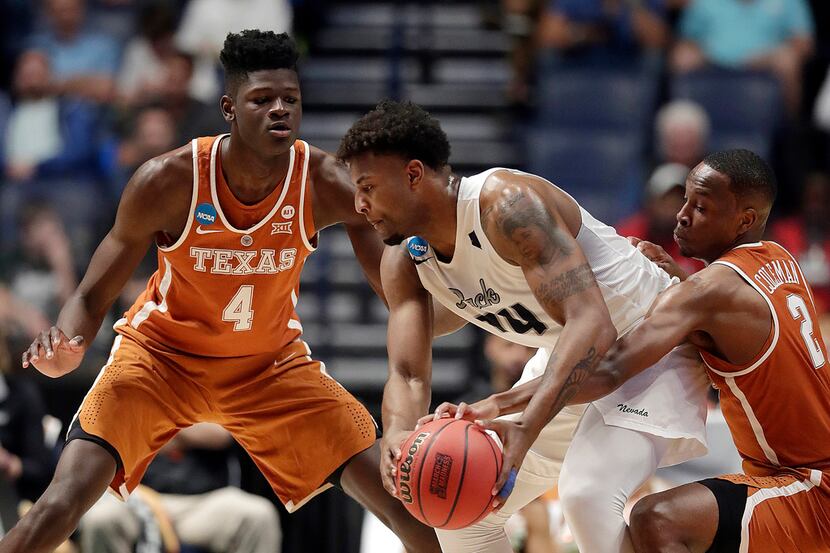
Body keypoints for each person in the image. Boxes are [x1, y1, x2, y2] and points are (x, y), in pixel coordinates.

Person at [6, 31, 440, 553]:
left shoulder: (326, 181)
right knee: (62, 503)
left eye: (291, 100)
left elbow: (397, 295)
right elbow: (91, 296)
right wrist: (64, 344)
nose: (280, 110)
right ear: (229, 108)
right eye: (262, 100)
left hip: (269, 367)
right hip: (160, 360)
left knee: (408, 506)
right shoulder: (168, 180)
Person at [337, 100, 710, 553]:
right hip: (574, 365)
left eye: (368, 187)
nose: (360, 204)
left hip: (653, 342)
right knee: (461, 516)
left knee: (587, 493)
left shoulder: (504, 205)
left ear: (413, 175)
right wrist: (397, 431)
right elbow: (408, 372)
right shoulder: (405, 263)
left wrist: (527, 426)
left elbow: (593, 325)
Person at [507, 149, 830, 551]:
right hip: (793, 472)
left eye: (701, 207)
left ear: (745, 220)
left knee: (657, 519)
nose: (682, 215)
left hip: (809, 488)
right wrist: (681, 281)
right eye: (685, 202)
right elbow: (726, 317)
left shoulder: (707, 294)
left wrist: (503, 404)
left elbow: (609, 370)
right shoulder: (780, 258)